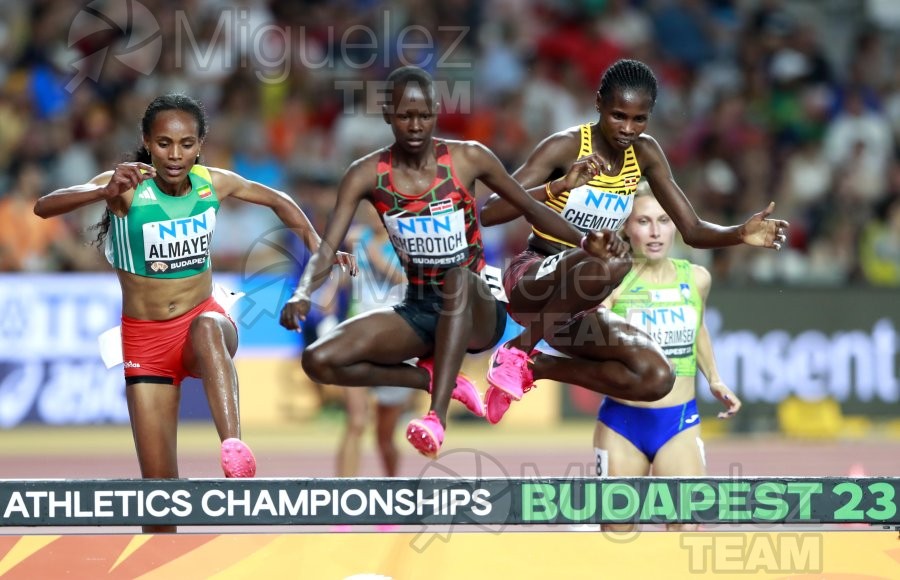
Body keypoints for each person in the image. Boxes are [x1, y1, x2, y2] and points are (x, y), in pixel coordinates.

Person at [33, 93, 354, 533]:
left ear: (200, 144)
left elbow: (278, 199)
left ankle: (234, 447)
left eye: (186, 144)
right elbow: (45, 205)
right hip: (145, 342)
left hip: (204, 321)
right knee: (158, 500)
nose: (175, 155)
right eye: (164, 143)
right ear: (147, 141)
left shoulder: (212, 183)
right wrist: (100, 190)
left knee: (206, 326)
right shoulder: (126, 186)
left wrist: (318, 245)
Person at [280, 66, 615, 458]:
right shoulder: (367, 174)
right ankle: (429, 377)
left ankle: (435, 418)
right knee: (319, 359)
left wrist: (584, 241)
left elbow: (526, 207)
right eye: (405, 116)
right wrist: (303, 291)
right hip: (420, 308)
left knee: (457, 276)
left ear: (437, 112)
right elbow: (328, 245)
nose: (416, 125)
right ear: (388, 114)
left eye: (424, 115)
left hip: (478, 308)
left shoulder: (469, 157)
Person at [478, 59, 787, 422]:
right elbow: (491, 211)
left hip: (575, 307)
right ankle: (515, 351)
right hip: (533, 281)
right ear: (598, 104)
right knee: (614, 259)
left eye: (638, 119)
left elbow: (691, 230)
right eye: (618, 116)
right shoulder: (565, 147)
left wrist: (738, 233)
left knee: (658, 377)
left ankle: (536, 367)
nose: (627, 128)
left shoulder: (645, 153)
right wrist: (559, 186)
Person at [591, 183, 741, 531]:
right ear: (626, 228)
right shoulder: (611, 281)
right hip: (621, 424)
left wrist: (714, 378)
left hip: (679, 423)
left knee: (687, 529)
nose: (656, 232)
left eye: (664, 220)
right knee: (616, 534)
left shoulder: (697, 279)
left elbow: (698, 327)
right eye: (643, 221)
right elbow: (588, 334)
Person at [335, 207, 415, 482]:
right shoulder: (356, 239)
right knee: (356, 422)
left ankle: (392, 499)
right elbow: (348, 278)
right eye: (367, 206)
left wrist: (376, 257)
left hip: (396, 342)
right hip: (357, 338)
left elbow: (409, 283)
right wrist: (330, 292)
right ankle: (340, 503)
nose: (373, 213)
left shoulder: (408, 242)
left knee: (385, 436)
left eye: (379, 207)